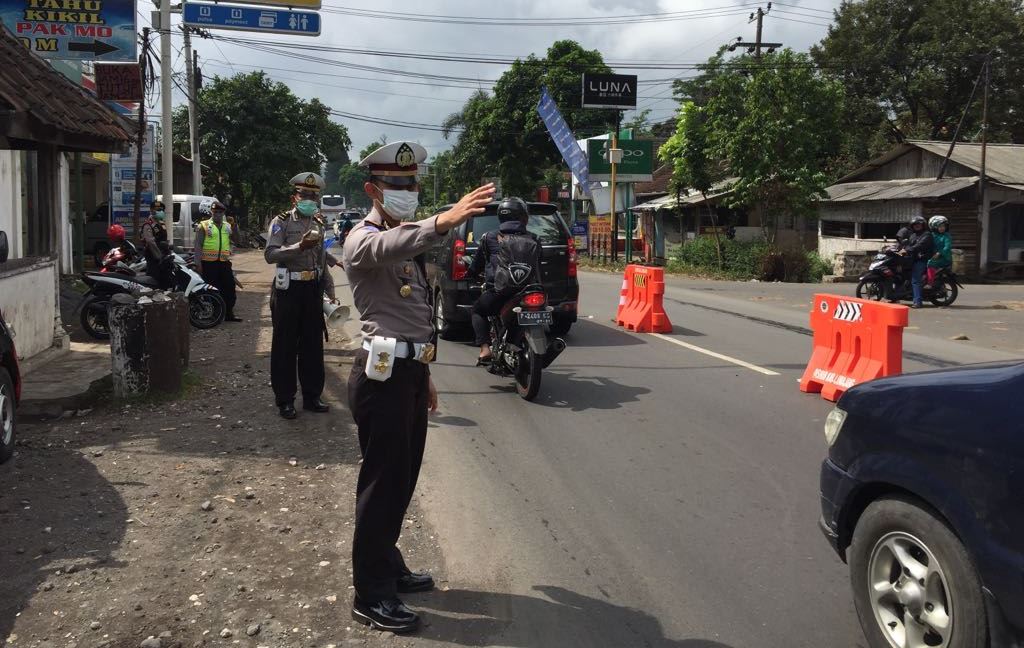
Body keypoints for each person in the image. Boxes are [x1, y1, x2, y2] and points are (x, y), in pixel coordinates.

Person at [342, 140, 495, 634]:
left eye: (411, 185)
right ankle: (370, 594)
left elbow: (417, 316)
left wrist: (425, 375)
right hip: (380, 377)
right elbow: (388, 247)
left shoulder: (405, 240)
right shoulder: (362, 238)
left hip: (406, 374)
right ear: (373, 189)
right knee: (382, 485)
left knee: (402, 479)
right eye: (397, 185)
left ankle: (387, 563)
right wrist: (443, 221)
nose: (407, 193)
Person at [265, 172, 339, 420]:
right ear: (294, 198)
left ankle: (312, 396)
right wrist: (299, 247)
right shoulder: (281, 222)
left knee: (312, 345)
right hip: (288, 290)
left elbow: (321, 260)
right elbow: (270, 254)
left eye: (313, 196)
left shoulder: (318, 223)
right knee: (285, 346)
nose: (309, 200)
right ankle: (285, 400)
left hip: (312, 289)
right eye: (304, 195)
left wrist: (330, 290)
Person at [467, 196, 542, 365]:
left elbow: (477, 264)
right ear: (524, 217)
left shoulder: (489, 237)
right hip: (529, 291)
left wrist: (470, 274)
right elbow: (538, 262)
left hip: (500, 292)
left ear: (501, 216)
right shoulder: (535, 239)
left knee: (478, 310)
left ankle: (485, 349)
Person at [194, 198, 241, 322]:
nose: (218, 214)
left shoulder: (227, 226)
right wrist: (198, 264)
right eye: (215, 212)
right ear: (211, 212)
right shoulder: (203, 226)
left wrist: (234, 226)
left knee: (229, 287)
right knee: (213, 289)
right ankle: (215, 314)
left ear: (223, 213)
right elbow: (198, 246)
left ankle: (229, 313)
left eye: (220, 212)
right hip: (208, 263)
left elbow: (237, 240)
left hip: (224, 263)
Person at [898, 215, 934, 308]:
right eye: (915, 224)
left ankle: (918, 302)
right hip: (913, 259)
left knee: (915, 280)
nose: (917, 226)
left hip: (923, 259)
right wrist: (899, 249)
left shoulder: (927, 235)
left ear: (923, 225)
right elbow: (908, 244)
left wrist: (908, 250)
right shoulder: (913, 235)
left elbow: (919, 246)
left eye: (919, 224)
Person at [141, 200, 173, 288]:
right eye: (158, 210)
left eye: (162, 210)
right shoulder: (148, 224)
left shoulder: (161, 223)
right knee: (154, 278)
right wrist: (159, 256)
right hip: (154, 256)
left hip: (163, 255)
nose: (161, 212)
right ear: (151, 210)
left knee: (165, 278)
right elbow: (150, 242)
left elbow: (163, 238)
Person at [925, 215, 953, 289]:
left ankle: (930, 283)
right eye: (940, 226)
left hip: (944, 258)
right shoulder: (932, 235)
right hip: (934, 256)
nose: (942, 228)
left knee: (930, 263)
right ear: (934, 227)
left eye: (943, 226)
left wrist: (939, 253)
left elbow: (947, 246)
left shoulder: (946, 236)